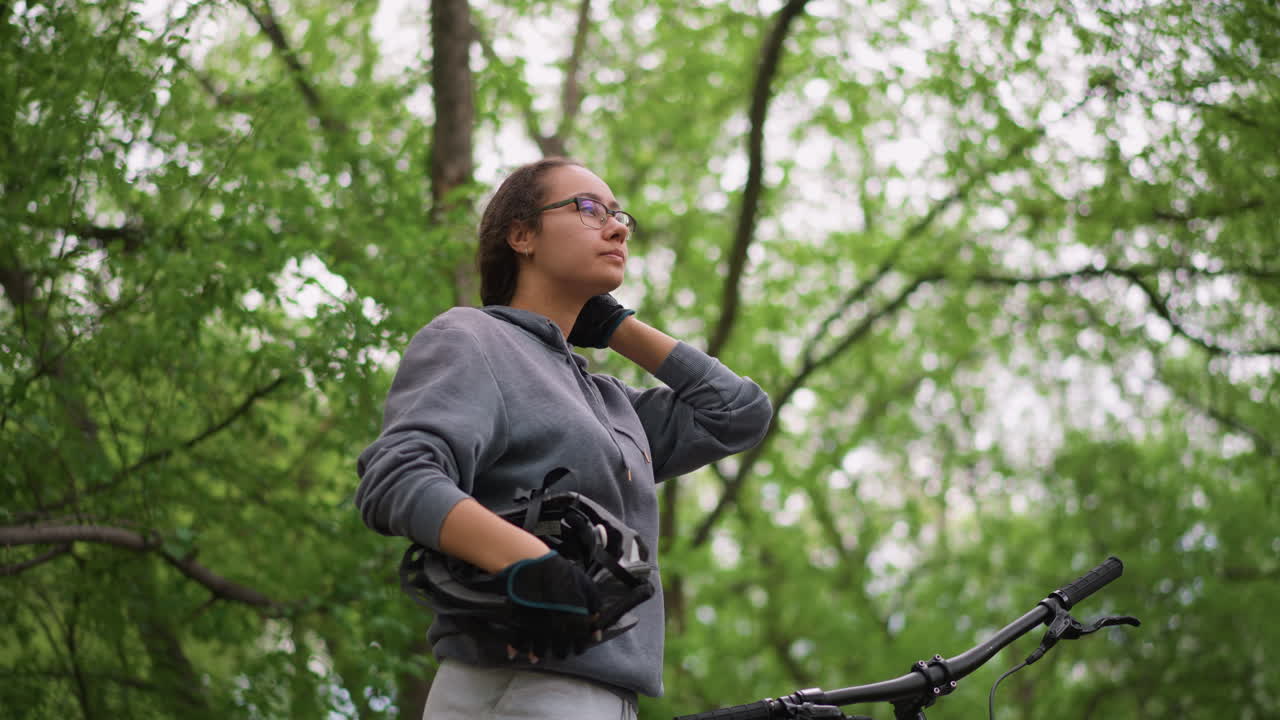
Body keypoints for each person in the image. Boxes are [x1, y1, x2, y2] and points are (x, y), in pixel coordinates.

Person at [355, 157, 772, 719]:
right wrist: (531, 563)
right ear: (522, 235)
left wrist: (616, 327)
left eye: (619, 214)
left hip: (610, 698)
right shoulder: (474, 338)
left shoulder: (610, 403)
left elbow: (739, 414)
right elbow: (396, 478)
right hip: (515, 688)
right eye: (587, 208)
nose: (618, 226)